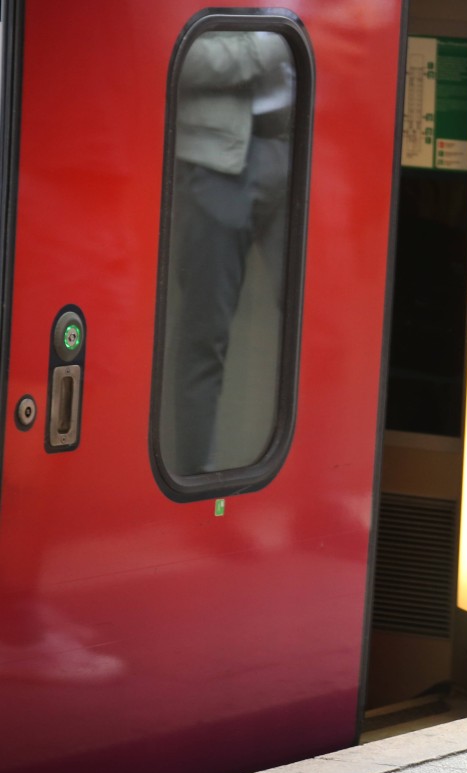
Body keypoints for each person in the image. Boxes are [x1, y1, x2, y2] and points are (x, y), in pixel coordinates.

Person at [164, 31, 295, 475]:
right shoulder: (276, 38)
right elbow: (177, 52)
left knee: (320, 331)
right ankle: (200, 493)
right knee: (205, 340)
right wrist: (280, 39)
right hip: (215, 163)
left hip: (299, 152)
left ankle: (319, 486)